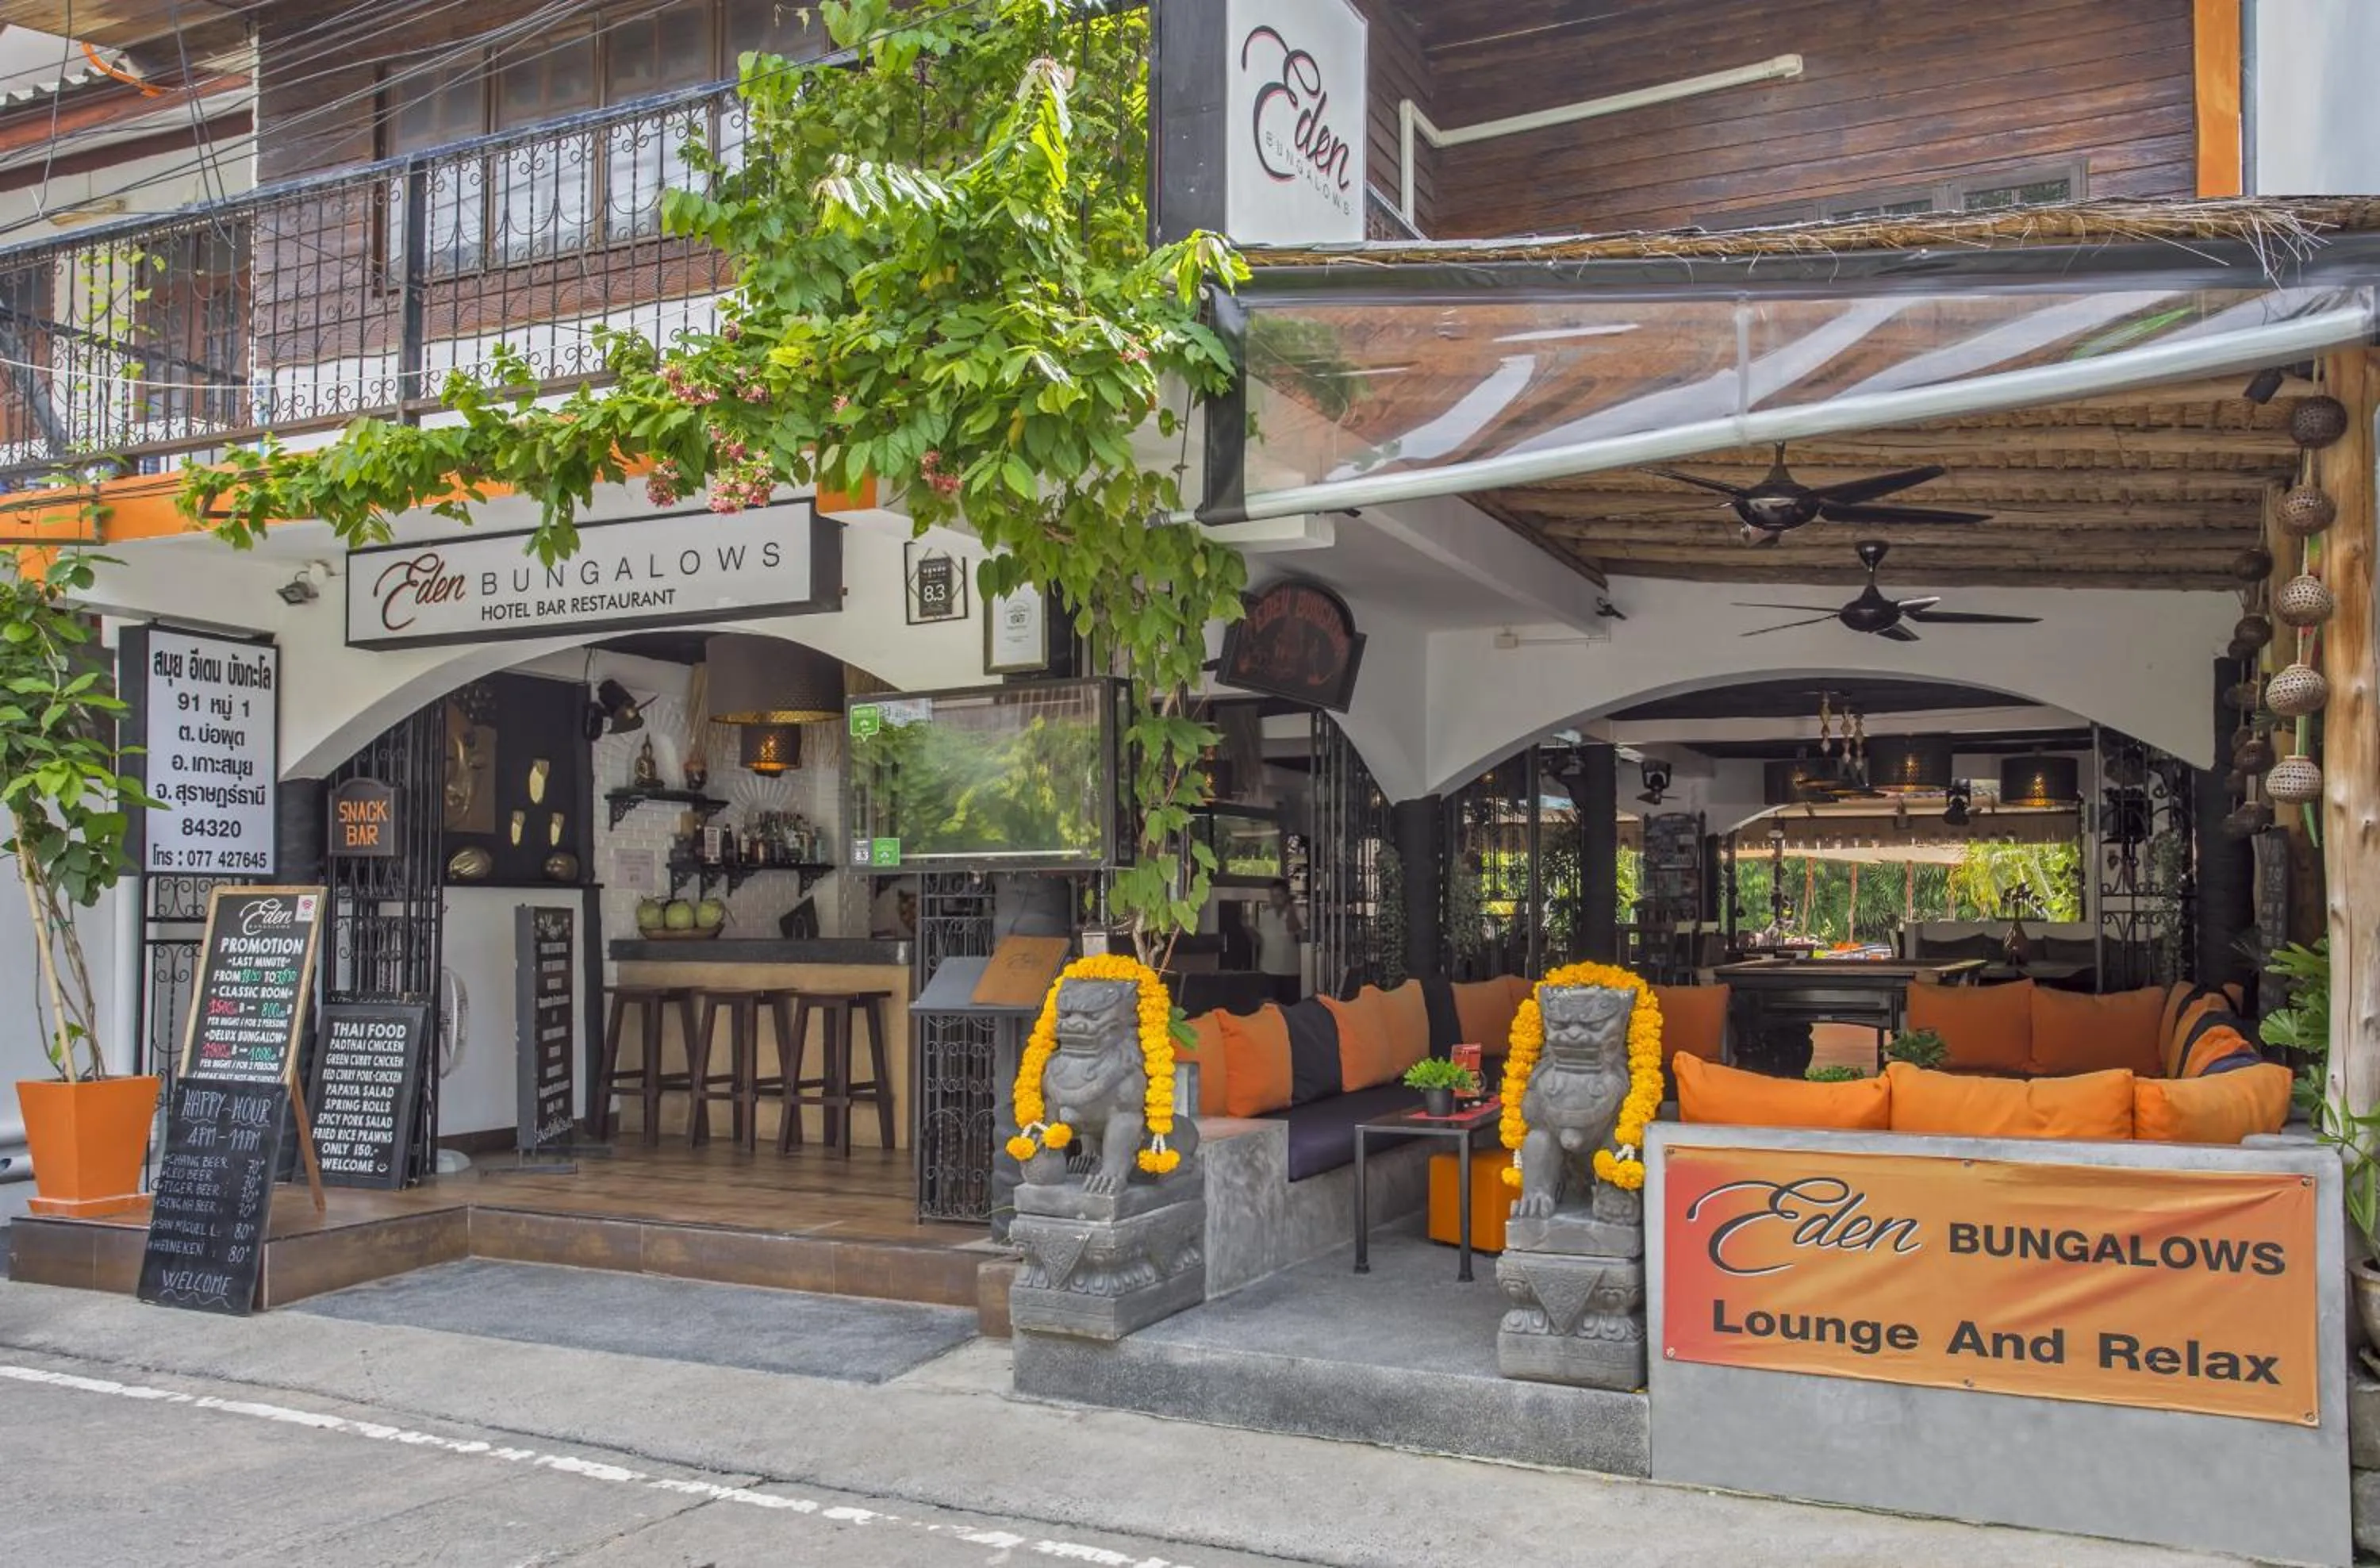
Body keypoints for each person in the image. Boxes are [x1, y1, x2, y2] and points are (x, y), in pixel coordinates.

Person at [1255, 878, 1305, 1005]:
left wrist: (1290, 909)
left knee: (1289, 1009)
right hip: (1268, 971)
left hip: (1290, 972)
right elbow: (1261, 938)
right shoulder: (1267, 915)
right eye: (1272, 896)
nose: (1274, 899)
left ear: (1286, 896)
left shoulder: (1298, 912)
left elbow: (1295, 931)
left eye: (1278, 896)